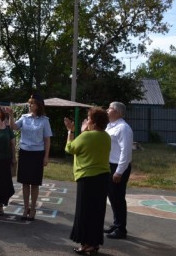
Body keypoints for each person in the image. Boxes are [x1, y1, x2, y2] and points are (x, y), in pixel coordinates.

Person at [64, 107, 111, 254]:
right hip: (103, 177)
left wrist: (71, 131)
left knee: (84, 212)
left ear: (94, 122)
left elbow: (70, 148)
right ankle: (94, 243)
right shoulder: (106, 136)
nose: (87, 121)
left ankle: (86, 245)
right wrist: (85, 131)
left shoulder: (87, 136)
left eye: (89, 118)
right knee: (97, 212)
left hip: (88, 178)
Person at [9, 95, 52, 221]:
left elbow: (47, 140)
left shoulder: (44, 120)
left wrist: (46, 156)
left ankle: (33, 208)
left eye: (32, 103)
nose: (30, 105)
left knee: (35, 183)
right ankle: (25, 207)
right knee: (25, 182)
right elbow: (14, 127)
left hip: (37, 154)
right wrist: (11, 116)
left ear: (38, 105)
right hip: (25, 152)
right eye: (29, 103)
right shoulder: (24, 117)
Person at [105, 102, 133, 239]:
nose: (107, 109)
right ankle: (116, 224)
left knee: (118, 198)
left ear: (117, 112)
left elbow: (126, 152)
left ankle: (121, 229)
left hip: (118, 167)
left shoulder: (123, 128)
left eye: (110, 108)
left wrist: (119, 171)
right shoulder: (110, 126)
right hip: (110, 165)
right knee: (112, 197)